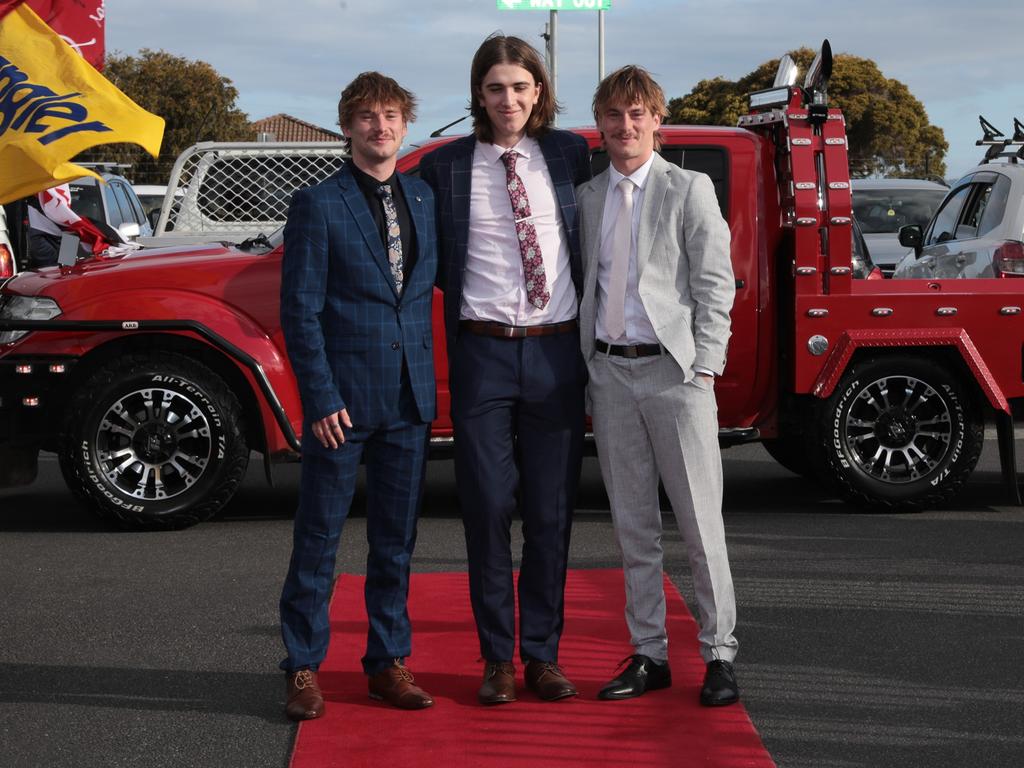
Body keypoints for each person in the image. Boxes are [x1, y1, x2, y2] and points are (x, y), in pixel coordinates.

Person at [419, 34, 591, 705]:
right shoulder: (446, 167)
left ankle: (542, 656)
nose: (508, 99)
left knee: (551, 514)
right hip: (483, 355)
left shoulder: (572, 154)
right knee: (488, 508)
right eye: (495, 88)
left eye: (520, 86)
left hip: (556, 352)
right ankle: (497, 659)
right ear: (478, 95)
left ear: (539, 92)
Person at [577, 65, 741, 707]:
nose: (626, 125)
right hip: (610, 374)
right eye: (614, 114)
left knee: (702, 526)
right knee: (633, 527)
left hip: (676, 376)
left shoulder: (690, 188)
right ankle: (649, 653)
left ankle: (720, 653)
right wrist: (592, 366)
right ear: (601, 124)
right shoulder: (589, 198)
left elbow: (714, 285)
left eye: (637, 113)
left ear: (656, 120)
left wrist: (705, 367)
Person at [278, 72, 437, 720]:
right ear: (347, 127)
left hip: (408, 403)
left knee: (396, 544)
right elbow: (300, 310)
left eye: (391, 115)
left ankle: (386, 663)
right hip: (340, 407)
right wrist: (319, 398)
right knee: (318, 539)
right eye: (367, 117)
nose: (380, 127)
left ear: (405, 125)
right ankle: (302, 667)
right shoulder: (318, 204)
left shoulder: (423, 200)